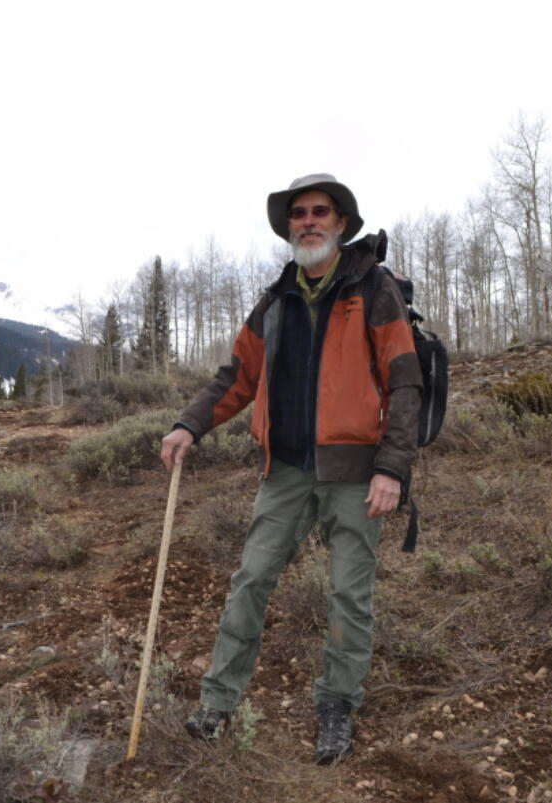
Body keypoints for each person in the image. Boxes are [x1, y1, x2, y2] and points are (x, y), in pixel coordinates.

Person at [160, 173, 422, 764]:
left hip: (356, 472)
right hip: (286, 471)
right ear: (289, 228)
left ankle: (337, 705)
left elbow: (406, 382)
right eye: (298, 213)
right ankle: (219, 701)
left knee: (349, 595)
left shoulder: (374, 290)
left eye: (320, 212)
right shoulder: (275, 300)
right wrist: (188, 424)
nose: (308, 221)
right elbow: (236, 380)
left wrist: (392, 468)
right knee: (251, 579)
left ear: (340, 223)